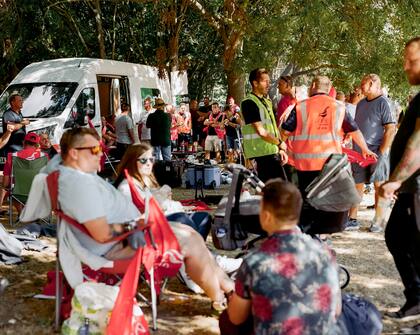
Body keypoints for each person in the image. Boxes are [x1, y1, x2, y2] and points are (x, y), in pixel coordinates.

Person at [55, 127, 234, 308]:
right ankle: (222, 299)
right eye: (94, 149)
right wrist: (136, 224)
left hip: (121, 240)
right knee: (189, 240)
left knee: (190, 233)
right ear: (74, 154)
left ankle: (229, 290)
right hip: (114, 248)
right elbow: (102, 234)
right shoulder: (79, 187)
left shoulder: (77, 180)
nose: (101, 153)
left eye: (100, 147)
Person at [219, 179, 341, 335]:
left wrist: (231, 295)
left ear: (267, 216)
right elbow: (336, 310)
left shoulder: (255, 261)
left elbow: (236, 318)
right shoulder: (325, 253)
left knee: (226, 319)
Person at [114, 144, 242, 283]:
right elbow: (136, 217)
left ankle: (192, 264)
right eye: (144, 160)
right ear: (132, 161)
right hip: (143, 234)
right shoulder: (126, 187)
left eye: (151, 159)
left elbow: (153, 204)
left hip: (155, 225)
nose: (149, 163)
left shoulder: (142, 182)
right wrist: (162, 197)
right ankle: (209, 262)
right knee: (181, 219)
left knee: (203, 218)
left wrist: (167, 202)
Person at [281, 75, 376, 234]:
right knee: (326, 199)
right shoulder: (339, 107)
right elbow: (354, 131)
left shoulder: (301, 107)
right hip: (330, 166)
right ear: (329, 89)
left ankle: (306, 232)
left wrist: (283, 147)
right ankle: (322, 234)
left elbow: (284, 131)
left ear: (313, 86)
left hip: (305, 164)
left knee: (306, 199)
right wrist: (365, 149)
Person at [379, 37, 420, 329]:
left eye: (412, 60)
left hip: (416, 187)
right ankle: (417, 298)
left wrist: (395, 181)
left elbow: (419, 145)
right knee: (396, 236)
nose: (405, 66)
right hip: (410, 187)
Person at [348, 74, 396, 232]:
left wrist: (381, 153)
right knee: (357, 185)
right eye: (362, 83)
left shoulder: (384, 103)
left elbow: (390, 129)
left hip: (376, 152)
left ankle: (378, 221)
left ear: (374, 84)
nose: (361, 86)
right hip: (358, 152)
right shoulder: (361, 103)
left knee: (379, 186)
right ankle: (352, 219)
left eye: (365, 83)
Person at [240, 68, 288, 183]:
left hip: (271, 151)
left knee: (272, 191)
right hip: (262, 154)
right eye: (264, 81)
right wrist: (280, 143)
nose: (268, 84)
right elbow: (261, 131)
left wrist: (279, 149)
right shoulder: (249, 102)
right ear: (255, 83)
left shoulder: (266, 102)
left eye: (269, 81)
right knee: (280, 191)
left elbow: (273, 129)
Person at [0, 132, 48, 213]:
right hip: (39, 193)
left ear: (24, 142)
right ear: (37, 145)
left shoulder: (12, 156)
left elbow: (6, 183)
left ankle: (22, 213)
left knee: (9, 188)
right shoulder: (44, 156)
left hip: (19, 193)